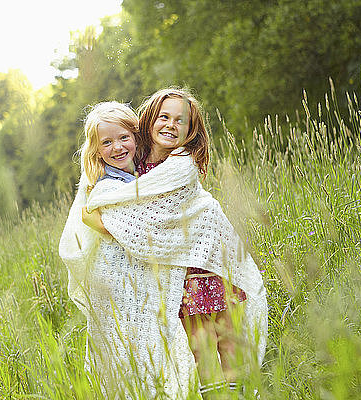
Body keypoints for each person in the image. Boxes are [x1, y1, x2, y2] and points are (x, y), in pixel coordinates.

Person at [83, 88, 268, 396]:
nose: (170, 125)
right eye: (163, 117)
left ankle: (243, 393)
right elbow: (125, 213)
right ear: (149, 121)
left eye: (180, 120)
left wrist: (101, 220)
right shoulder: (133, 167)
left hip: (205, 261)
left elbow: (163, 218)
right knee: (199, 343)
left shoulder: (181, 164)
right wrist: (95, 213)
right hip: (176, 275)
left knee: (227, 337)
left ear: (191, 130)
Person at [59, 101, 196, 399]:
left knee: (149, 350)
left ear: (136, 137)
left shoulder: (145, 177)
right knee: (125, 353)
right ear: (96, 151)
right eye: (107, 142)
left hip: (139, 284)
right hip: (116, 285)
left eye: (123, 138)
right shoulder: (107, 187)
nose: (117, 147)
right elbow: (125, 227)